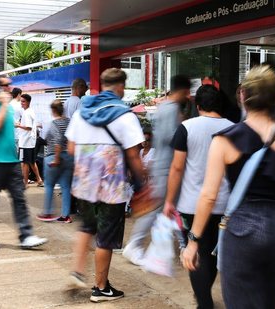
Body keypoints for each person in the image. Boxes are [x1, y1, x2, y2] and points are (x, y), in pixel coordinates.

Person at [181, 65, 275, 309]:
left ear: (243, 95)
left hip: (243, 231)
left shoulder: (225, 140)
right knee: (268, 301)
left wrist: (194, 240)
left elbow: (208, 196)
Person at [65, 68, 147, 302]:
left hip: (84, 182)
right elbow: (133, 154)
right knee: (107, 236)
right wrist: (142, 181)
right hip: (111, 185)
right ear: (120, 86)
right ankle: (100, 288)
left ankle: (77, 271)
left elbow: (71, 149)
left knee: (87, 226)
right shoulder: (125, 115)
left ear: (101, 85)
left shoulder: (83, 111)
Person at [164, 85, 233, 309]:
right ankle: (205, 297)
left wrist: (169, 200)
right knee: (212, 252)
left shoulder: (186, 127)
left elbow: (176, 168)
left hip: (192, 204)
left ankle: (204, 302)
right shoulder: (234, 128)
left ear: (198, 105)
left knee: (197, 251)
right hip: (225, 204)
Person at [0, 75, 47, 250]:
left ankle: (26, 236)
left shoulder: (11, 108)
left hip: (11, 161)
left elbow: (11, 127)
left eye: (9, 86)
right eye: (4, 86)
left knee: (19, 198)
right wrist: (4, 105)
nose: (8, 89)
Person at [122, 75, 191, 265]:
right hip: (167, 167)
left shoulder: (165, 107)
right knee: (158, 208)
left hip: (163, 166)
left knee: (169, 208)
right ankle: (134, 245)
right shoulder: (172, 109)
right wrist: (185, 129)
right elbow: (170, 137)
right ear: (184, 91)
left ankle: (182, 244)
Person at [36, 99, 74, 223]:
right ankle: (65, 215)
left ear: (53, 110)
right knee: (66, 186)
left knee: (49, 185)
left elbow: (57, 140)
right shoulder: (69, 122)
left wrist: (57, 158)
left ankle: (47, 212)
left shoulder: (54, 124)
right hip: (68, 157)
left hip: (54, 157)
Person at [15, 93, 44, 187]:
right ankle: (39, 179)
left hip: (25, 142)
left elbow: (28, 127)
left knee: (25, 163)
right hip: (29, 141)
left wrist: (18, 125)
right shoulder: (29, 111)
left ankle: (25, 182)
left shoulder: (27, 113)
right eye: (21, 101)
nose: (21, 103)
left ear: (28, 102)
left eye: (23, 101)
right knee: (31, 162)